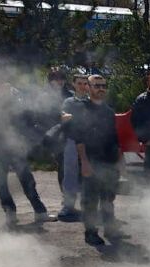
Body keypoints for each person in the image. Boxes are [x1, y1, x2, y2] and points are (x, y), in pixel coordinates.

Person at [0, 59, 55, 227]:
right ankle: (10, 213)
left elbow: (25, 114)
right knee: (1, 181)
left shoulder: (13, 90)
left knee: (26, 177)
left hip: (15, 142)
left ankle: (40, 212)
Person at [70, 75, 124, 246]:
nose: (101, 88)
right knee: (90, 201)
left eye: (103, 85)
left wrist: (120, 159)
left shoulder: (108, 111)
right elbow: (78, 138)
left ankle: (109, 229)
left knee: (108, 198)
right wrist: (84, 162)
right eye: (96, 85)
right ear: (88, 87)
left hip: (109, 161)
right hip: (91, 161)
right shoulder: (81, 109)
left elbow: (114, 138)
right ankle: (90, 233)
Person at [56, 73, 89, 221]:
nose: (82, 86)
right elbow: (63, 115)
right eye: (79, 83)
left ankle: (90, 205)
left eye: (85, 83)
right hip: (71, 141)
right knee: (70, 173)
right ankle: (68, 206)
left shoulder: (91, 102)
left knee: (90, 173)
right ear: (74, 85)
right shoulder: (68, 101)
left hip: (90, 142)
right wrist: (64, 116)